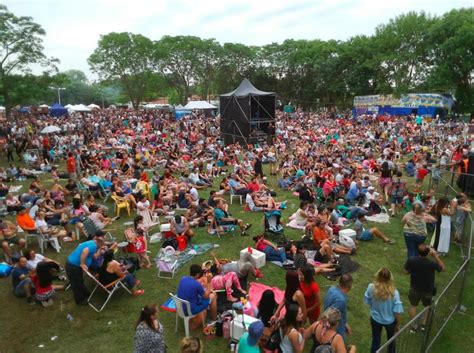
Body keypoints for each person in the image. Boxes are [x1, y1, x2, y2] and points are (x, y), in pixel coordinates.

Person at [404, 244, 445, 332]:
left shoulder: (412, 260)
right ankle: (423, 325)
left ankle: (413, 326)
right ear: (428, 253)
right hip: (427, 289)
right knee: (427, 306)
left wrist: (412, 271)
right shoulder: (432, 263)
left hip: (414, 288)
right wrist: (436, 257)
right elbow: (442, 268)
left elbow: (406, 271)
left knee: (413, 305)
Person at [364, 268, 403, 353]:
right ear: (390, 278)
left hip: (375, 319)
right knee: (391, 342)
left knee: (375, 341)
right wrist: (398, 324)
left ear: (378, 276)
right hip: (390, 322)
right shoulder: (394, 293)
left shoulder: (371, 287)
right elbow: (397, 311)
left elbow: (368, 300)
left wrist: (373, 308)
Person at [65, 232, 106, 305]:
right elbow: (84, 251)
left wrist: (100, 249)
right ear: (99, 243)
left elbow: (95, 256)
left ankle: (85, 292)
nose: (103, 246)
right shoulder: (93, 245)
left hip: (74, 266)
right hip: (73, 266)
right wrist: (83, 264)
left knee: (79, 280)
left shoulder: (93, 244)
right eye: (102, 245)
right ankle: (80, 301)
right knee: (76, 284)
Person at [176, 264, 217, 330]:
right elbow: (206, 296)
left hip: (180, 307)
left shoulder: (183, 278)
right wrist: (209, 282)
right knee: (213, 296)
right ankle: (214, 319)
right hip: (190, 310)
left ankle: (203, 315)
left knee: (203, 296)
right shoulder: (196, 284)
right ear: (197, 274)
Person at [323, 274, 353, 343]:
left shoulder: (332, 288)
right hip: (335, 327)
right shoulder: (341, 301)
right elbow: (331, 316)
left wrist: (345, 324)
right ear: (350, 286)